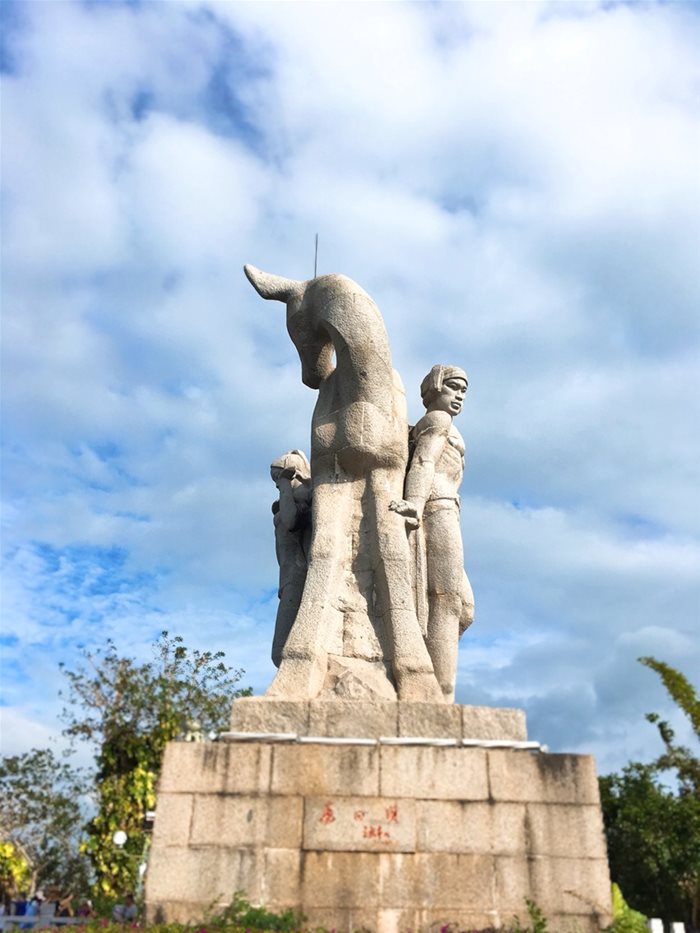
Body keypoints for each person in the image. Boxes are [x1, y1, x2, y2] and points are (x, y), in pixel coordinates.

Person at [390, 364, 475, 701]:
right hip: (437, 505)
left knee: (463, 608)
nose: (460, 396)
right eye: (453, 387)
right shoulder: (438, 420)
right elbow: (424, 461)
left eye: (464, 390)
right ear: (435, 387)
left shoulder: (443, 423)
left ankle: (431, 675)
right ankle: (438, 695)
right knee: (447, 600)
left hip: (447, 506)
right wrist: (414, 503)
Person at [269, 450, 312, 667]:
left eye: (278, 477)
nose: (277, 484)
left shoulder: (303, 495)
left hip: (298, 574)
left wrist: (285, 485)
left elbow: (290, 520)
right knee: (280, 651)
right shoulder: (285, 500)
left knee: (281, 650)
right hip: (287, 577)